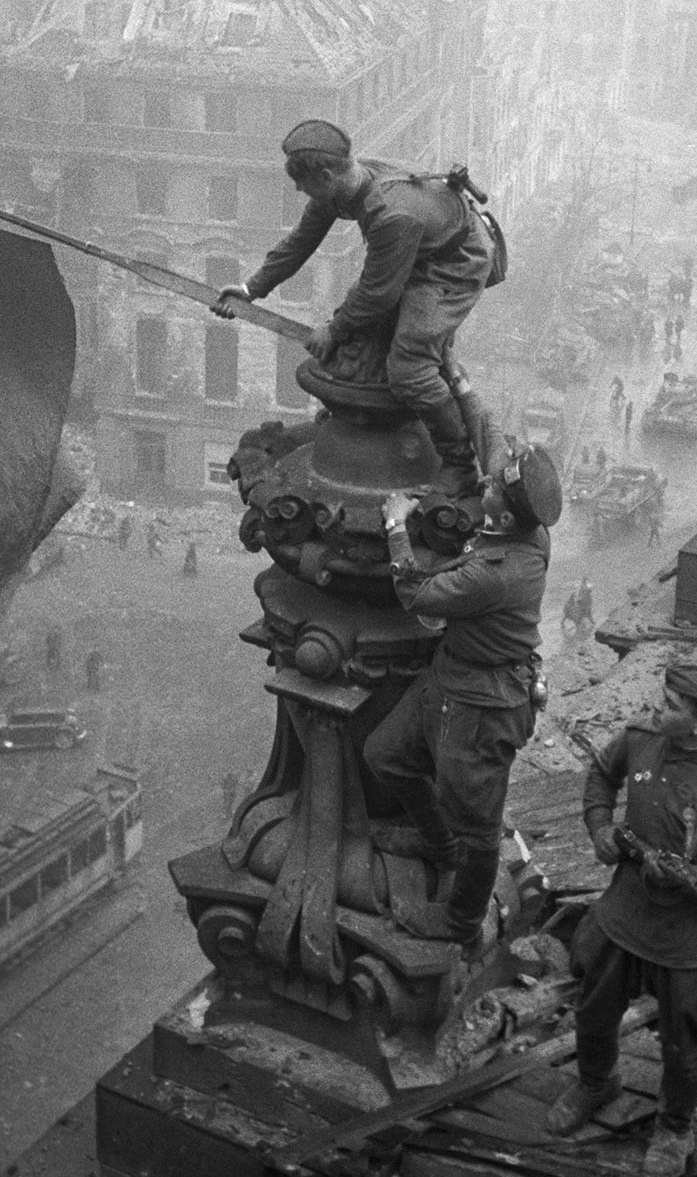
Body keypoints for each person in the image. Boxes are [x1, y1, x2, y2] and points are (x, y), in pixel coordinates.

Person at [363, 359, 558, 948]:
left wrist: (397, 525)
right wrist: (461, 382)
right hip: (452, 680)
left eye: (494, 488)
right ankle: (435, 844)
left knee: (480, 830)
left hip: (482, 705)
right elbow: (490, 440)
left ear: (502, 512)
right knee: (385, 756)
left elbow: (417, 593)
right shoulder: (519, 517)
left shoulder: (498, 573)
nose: (488, 481)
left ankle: (459, 923)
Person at [547, 660, 697, 1177]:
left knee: (684, 1041)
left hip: (688, 938)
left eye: (670, 706)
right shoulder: (640, 740)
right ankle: (597, 1082)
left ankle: (674, 1126)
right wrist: (600, 827)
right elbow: (602, 775)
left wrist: (693, 879)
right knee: (594, 1009)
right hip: (625, 911)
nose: (655, 708)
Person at [211, 121, 493, 491]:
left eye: (303, 184)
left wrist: (336, 329)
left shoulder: (390, 214)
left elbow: (378, 294)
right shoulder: (347, 185)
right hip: (418, 248)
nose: (298, 190)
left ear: (326, 176)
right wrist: (252, 288)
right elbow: (301, 241)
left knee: (409, 366)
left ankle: (458, 462)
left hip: (451, 264)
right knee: (364, 340)